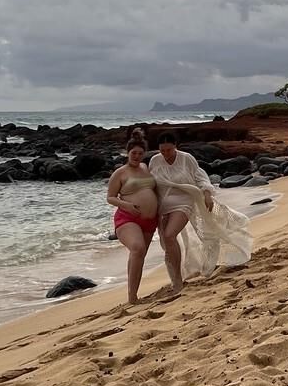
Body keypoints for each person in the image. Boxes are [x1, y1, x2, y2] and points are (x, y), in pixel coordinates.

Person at [149, 131, 252, 291]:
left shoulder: (186, 158)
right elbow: (151, 184)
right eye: (162, 150)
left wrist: (207, 194)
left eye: (168, 150)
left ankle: (177, 282)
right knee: (167, 242)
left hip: (185, 202)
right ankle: (176, 277)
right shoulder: (155, 161)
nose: (165, 154)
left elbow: (200, 177)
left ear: (175, 147)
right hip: (163, 205)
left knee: (170, 235)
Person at [106, 129, 157, 305]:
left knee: (139, 256)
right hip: (127, 218)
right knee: (137, 248)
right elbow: (110, 197)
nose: (136, 156)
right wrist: (127, 205)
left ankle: (134, 293)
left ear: (144, 154)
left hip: (150, 220)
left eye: (140, 153)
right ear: (127, 153)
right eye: (133, 153)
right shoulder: (120, 173)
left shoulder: (146, 168)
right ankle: (132, 298)